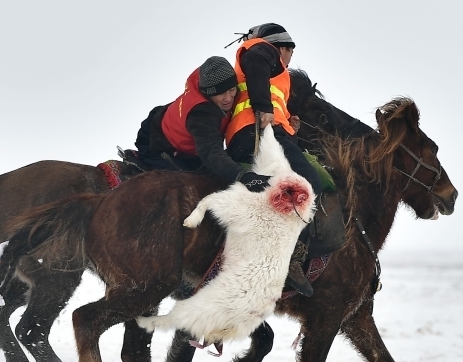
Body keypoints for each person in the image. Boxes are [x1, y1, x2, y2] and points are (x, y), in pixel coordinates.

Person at [225, 22, 323, 296]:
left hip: (249, 135)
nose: (291, 59)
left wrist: (290, 124)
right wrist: (265, 109)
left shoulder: (276, 74)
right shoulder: (261, 50)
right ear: (283, 47)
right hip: (259, 133)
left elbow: (271, 100)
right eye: (291, 51)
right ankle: (291, 258)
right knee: (309, 183)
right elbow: (258, 70)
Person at [135, 56, 248, 184]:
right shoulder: (201, 115)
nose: (228, 98)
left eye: (231, 90)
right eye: (220, 93)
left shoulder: (210, 77)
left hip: (173, 122)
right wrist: (243, 176)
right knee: (192, 184)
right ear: (208, 93)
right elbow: (211, 154)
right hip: (156, 142)